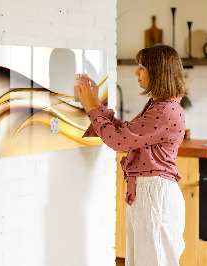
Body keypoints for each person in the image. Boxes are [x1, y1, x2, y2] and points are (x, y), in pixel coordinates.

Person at [75, 44, 187, 266]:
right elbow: (126, 133)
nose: (136, 72)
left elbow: (118, 141)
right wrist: (97, 104)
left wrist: (90, 108)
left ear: (158, 72)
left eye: (142, 67)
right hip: (150, 193)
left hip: (155, 195)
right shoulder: (160, 106)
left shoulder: (164, 111)